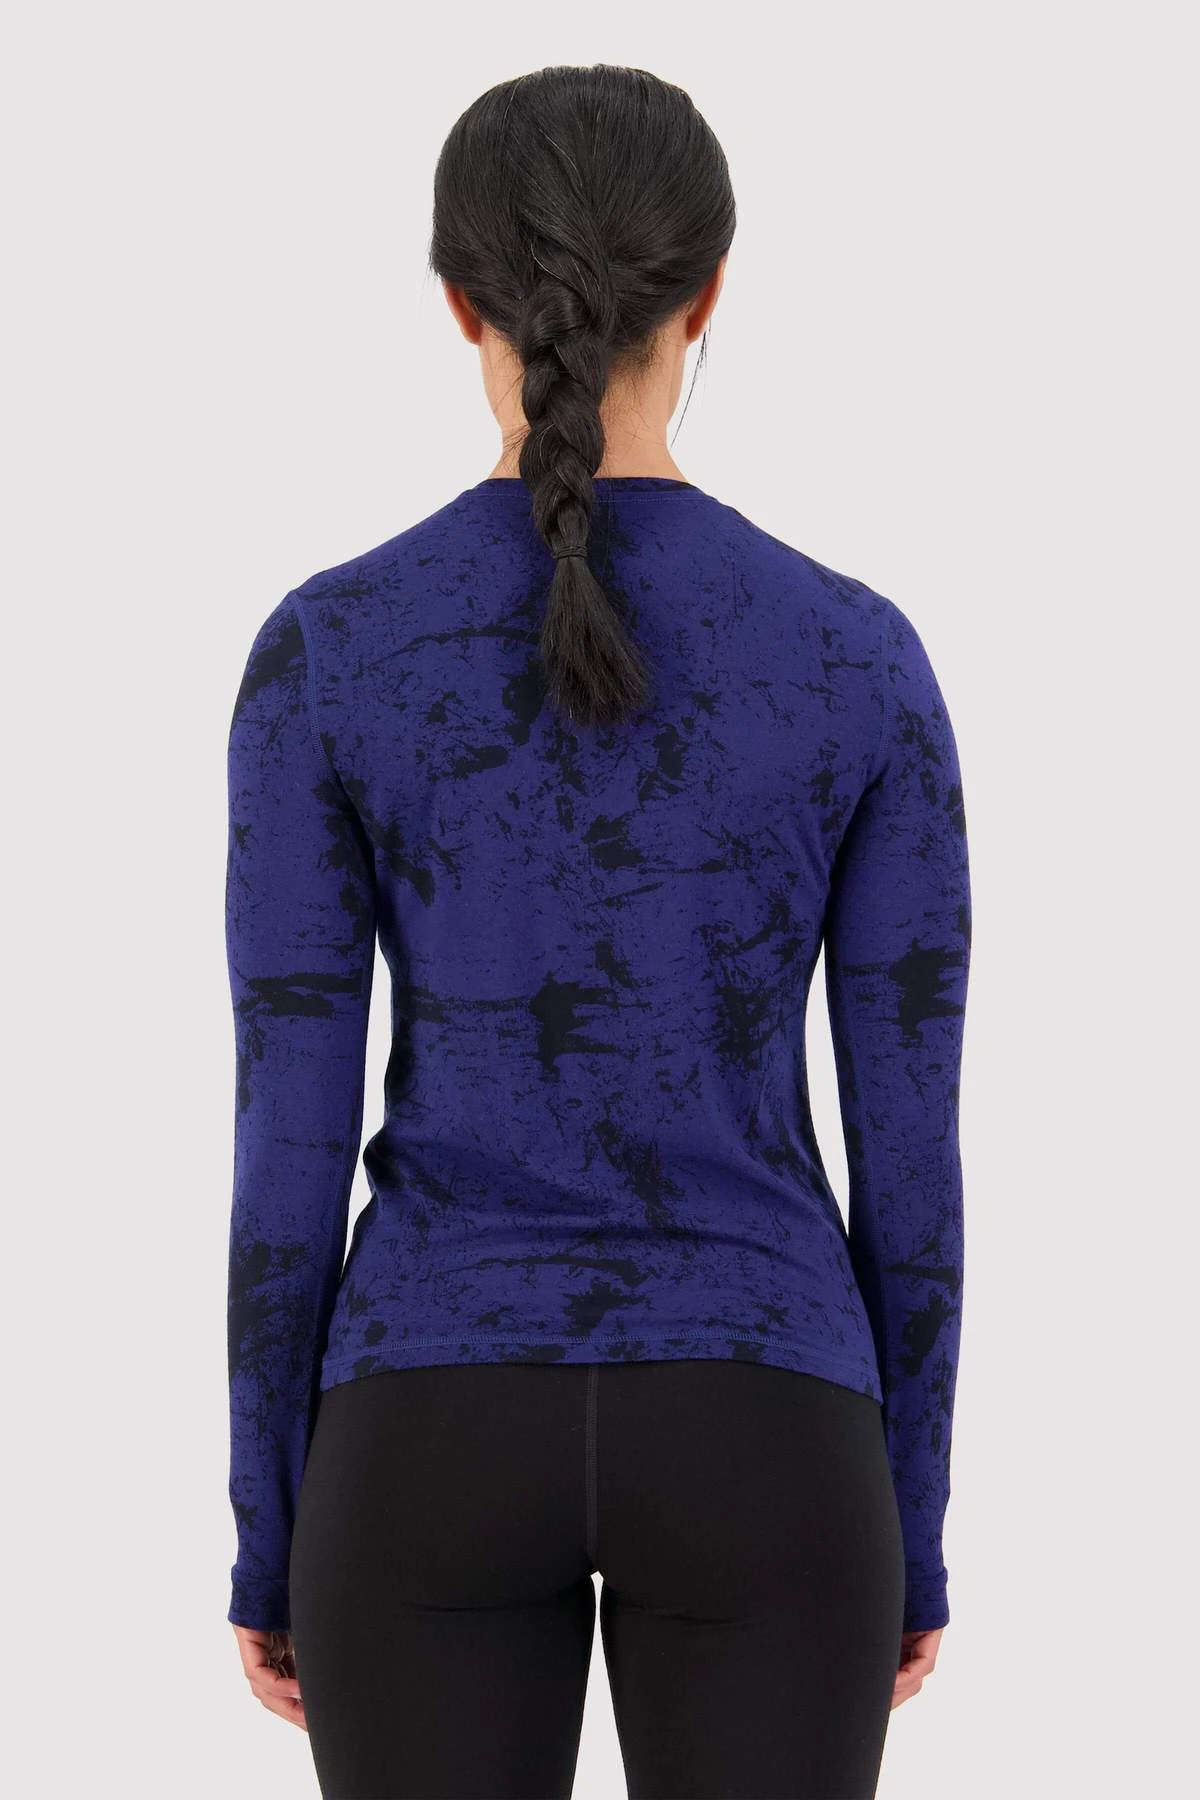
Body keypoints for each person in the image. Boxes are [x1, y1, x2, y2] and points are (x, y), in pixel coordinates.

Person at [223, 62, 972, 1800]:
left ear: (458, 303)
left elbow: (286, 1151)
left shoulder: (330, 651)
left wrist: (272, 1528)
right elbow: (912, 1160)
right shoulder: (858, 658)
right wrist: (911, 1524)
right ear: (708, 295)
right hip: (769, 1423)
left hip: (424, 1422)